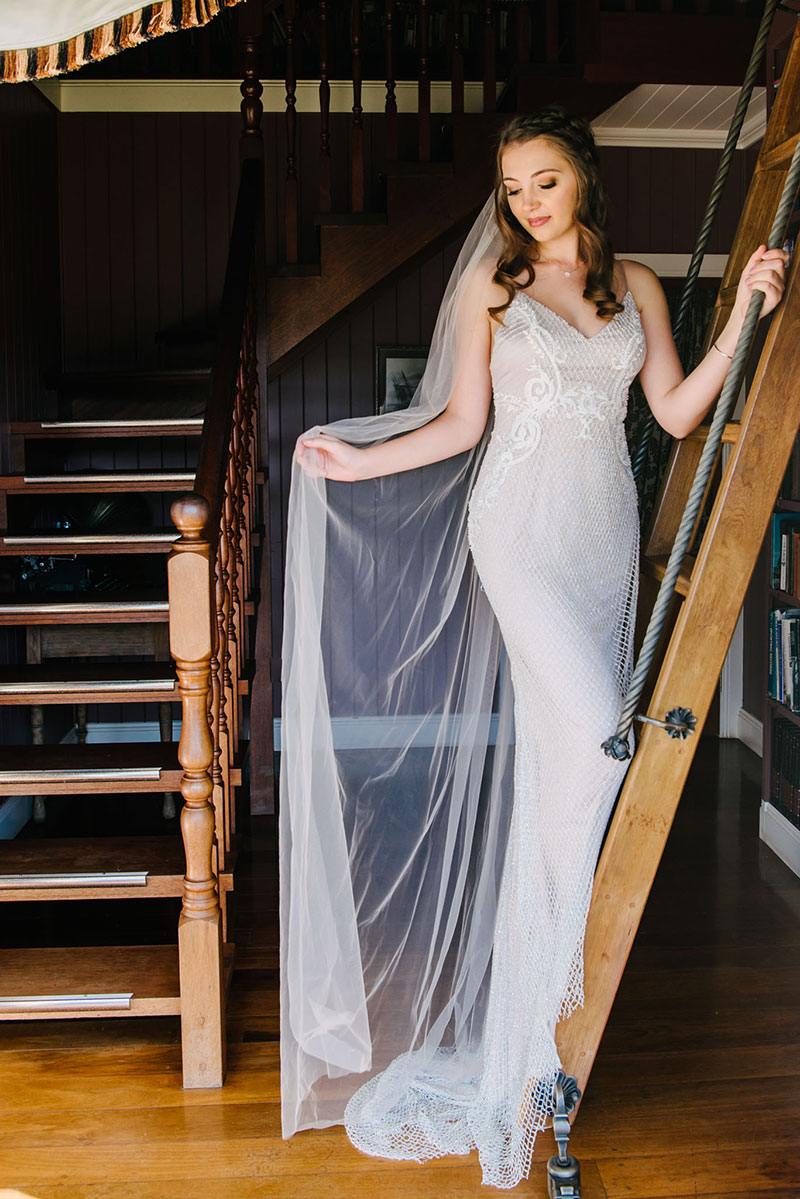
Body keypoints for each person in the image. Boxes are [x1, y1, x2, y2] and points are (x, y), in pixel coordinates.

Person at [280, 108, 787, 1189]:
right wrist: (356, 465)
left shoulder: (637, 286)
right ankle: (542, 992)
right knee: (605, 744)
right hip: (515, 535)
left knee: (573, 763)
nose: (527, 202)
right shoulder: (491, 291)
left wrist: (743, 310)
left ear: (582, 180)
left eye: (543, 181)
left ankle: (533, 1016)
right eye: (512, 187)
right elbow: (460, 424)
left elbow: (679, 412)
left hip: (600, 541)